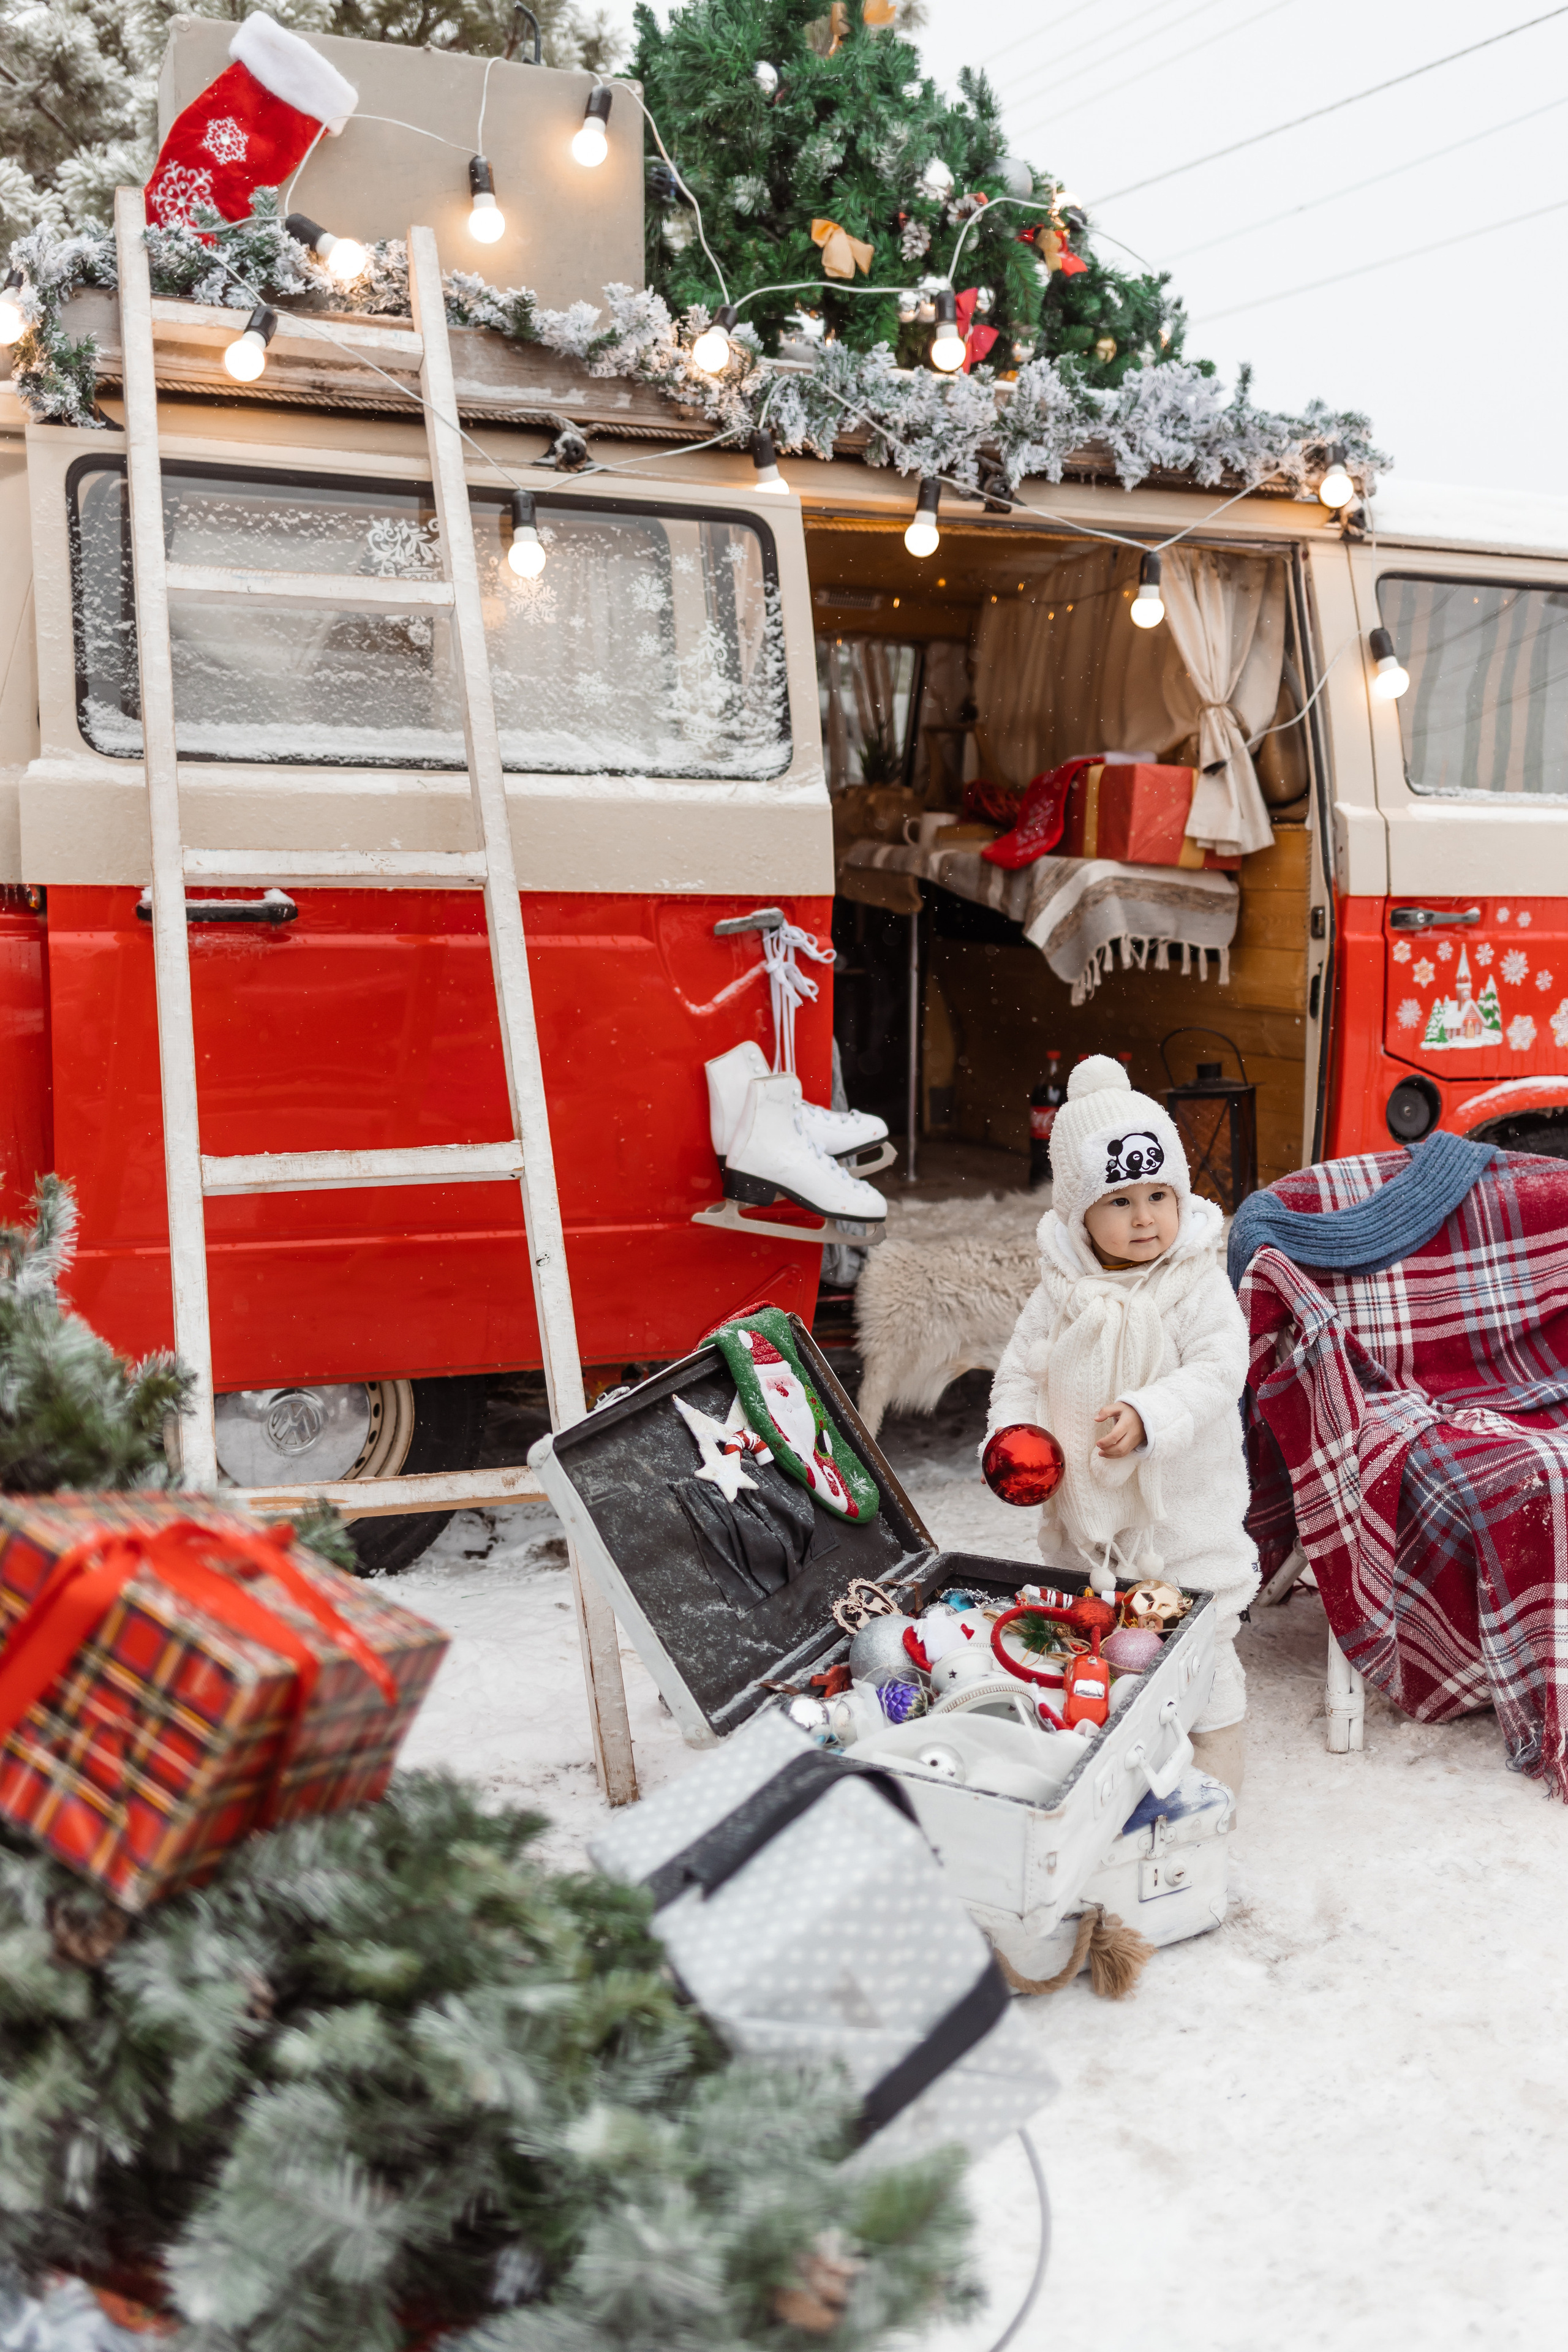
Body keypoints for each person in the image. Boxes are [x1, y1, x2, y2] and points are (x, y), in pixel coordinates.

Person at [984, 1054, 1257, 1790]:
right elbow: (1017, 1374)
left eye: (1158, 1194)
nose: (1144, 1217)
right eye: (1119, 1201)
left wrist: (1149, 1411)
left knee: (1204, 1658)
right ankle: (1112, 1778)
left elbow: (1218, 1369)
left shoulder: (1196, 1280)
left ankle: (1214, 1789)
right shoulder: (1060, 1292)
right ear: (1079, 1213)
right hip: (1090, 1532)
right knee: (1101, 1650)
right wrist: (1011, 1440)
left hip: (1183, 1530)